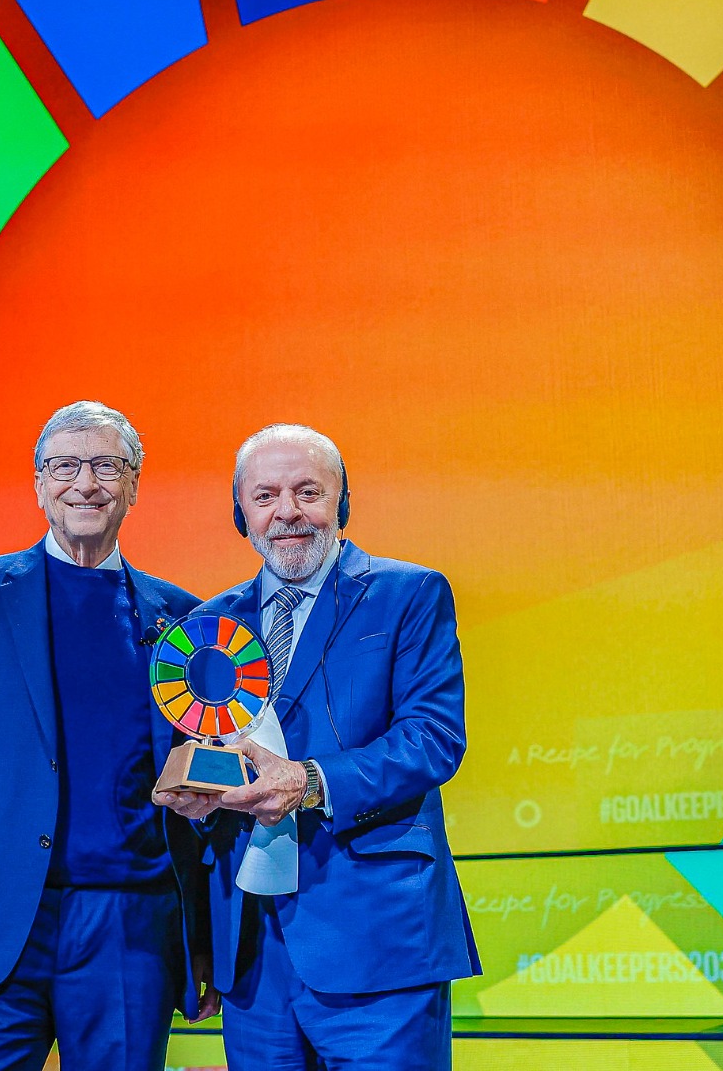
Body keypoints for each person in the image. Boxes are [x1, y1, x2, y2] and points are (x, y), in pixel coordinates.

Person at [0, 400, 218, 1070]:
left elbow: (201, 779)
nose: (85, 484)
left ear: (133, 485)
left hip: (130, 927)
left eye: (105, 466)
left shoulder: (182, 618)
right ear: (39, 484)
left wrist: (202, 939)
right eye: (65, 466)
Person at [156, 423, 480, 1070]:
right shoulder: (208, 626)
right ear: (240, 512)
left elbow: (434, 738)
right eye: (266, 495)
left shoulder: (408, 594)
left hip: (377, 938)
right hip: (250, 947)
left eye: (308, 492)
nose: (288, 513)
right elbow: (206, 745)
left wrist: (307, 781)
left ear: (342, 503)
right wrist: (194, 797)